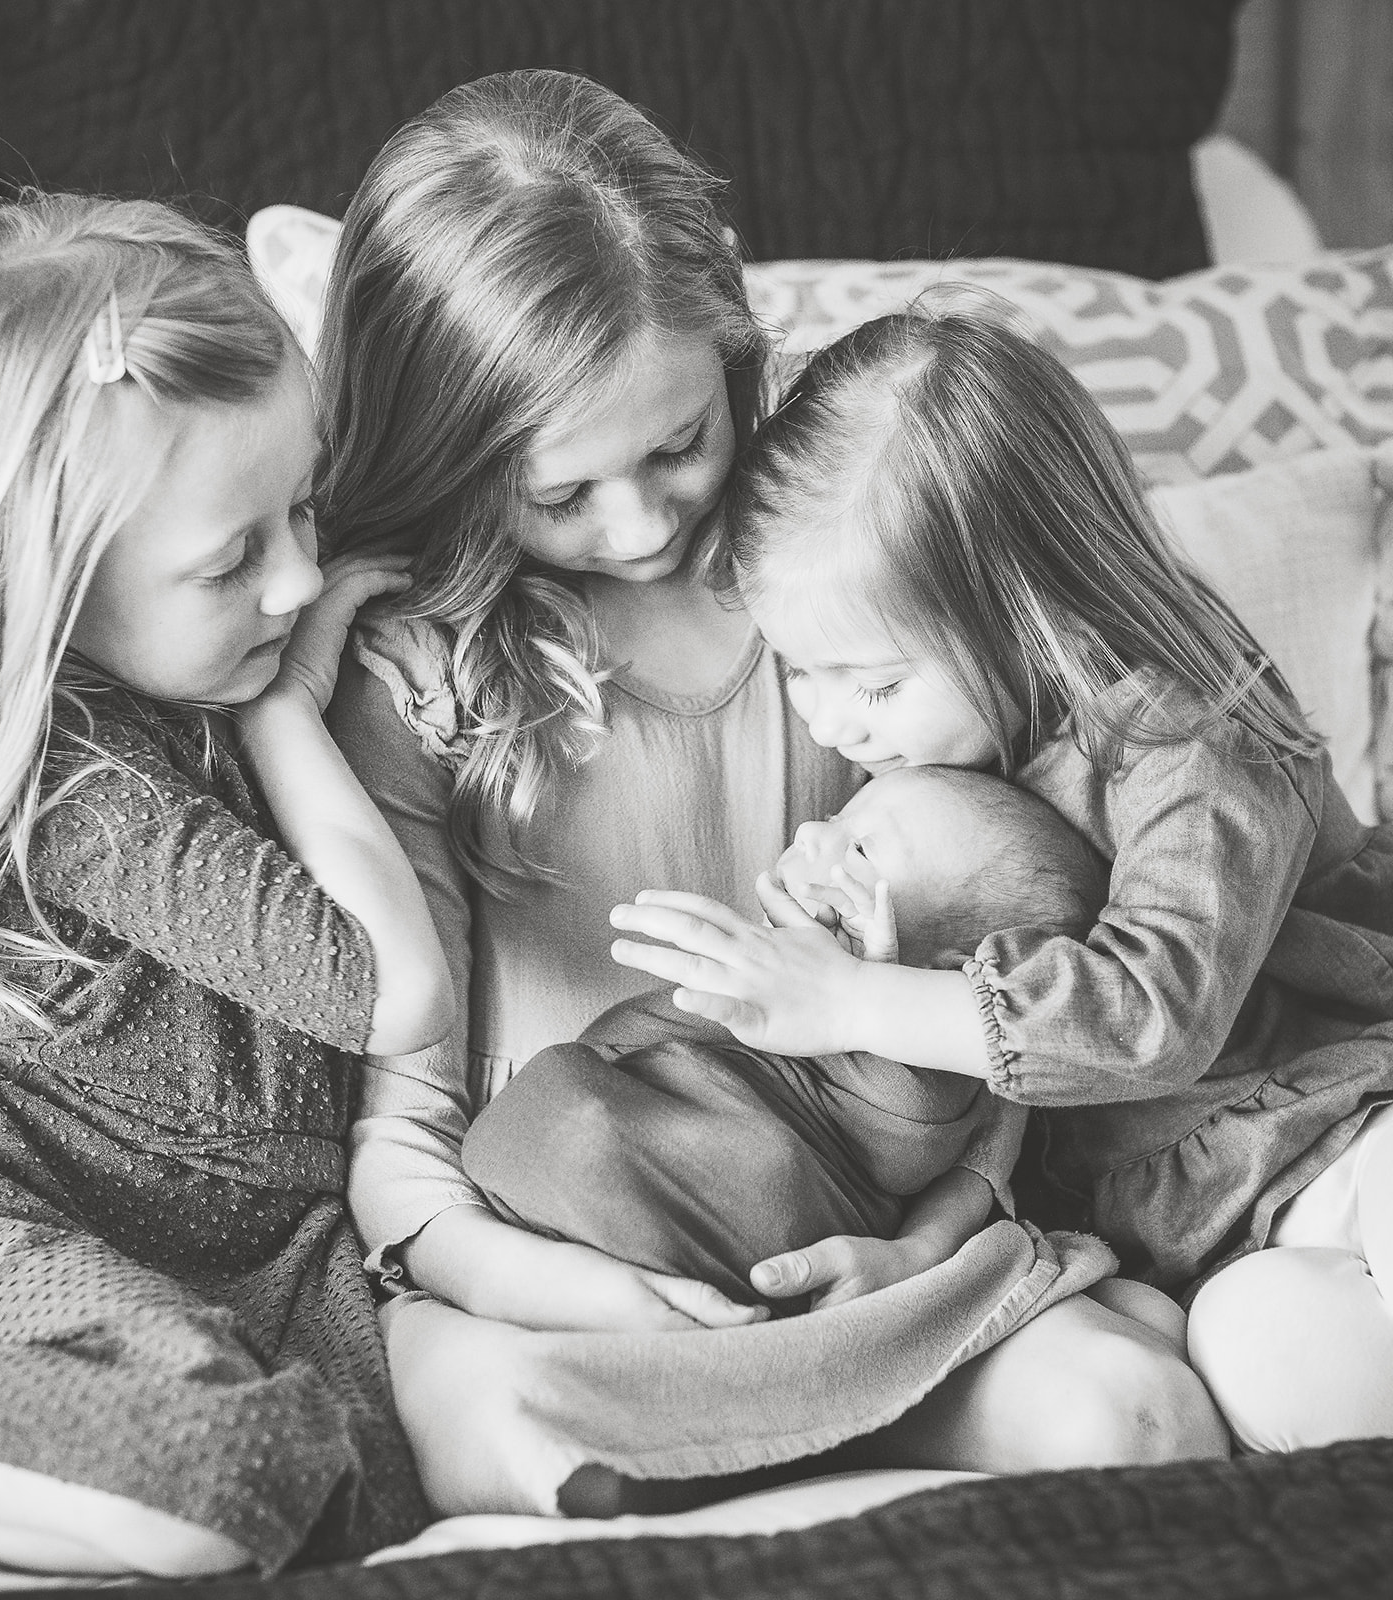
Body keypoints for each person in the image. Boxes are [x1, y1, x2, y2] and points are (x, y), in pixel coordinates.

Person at [320, 68, 1226, 1510]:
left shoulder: (836, 595)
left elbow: (1003, 954)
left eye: (680, 443)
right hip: (565, 1247)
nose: (641, 521)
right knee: (490, 1411)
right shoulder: (425, 676)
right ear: (444, 455)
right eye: (559, 492)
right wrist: (535, 1278)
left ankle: (792, 1413)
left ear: (733, 355)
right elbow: (402, 1103)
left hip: (865, 1229)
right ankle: (669, 1428)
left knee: (1139, 1414)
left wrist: (930, 1240)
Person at [609, 289, 1393, 1455]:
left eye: (871, 683)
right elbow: (998, 1088)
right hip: (1208, 1240)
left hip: (1336, 1118)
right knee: (1266, 1362)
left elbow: (1151, 1014)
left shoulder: (1186, 730)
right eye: (801, 675)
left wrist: (851, 1001)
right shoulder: (946, 762)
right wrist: (928, 1245)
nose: (834, 729)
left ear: (1029, 613)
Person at [0, 193, 453, 1577]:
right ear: (49, 586)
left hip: (253, 1265)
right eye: (233, 560)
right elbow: (394, 996)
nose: (300, 581)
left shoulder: (213, 658)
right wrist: (290, 717)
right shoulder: (87, 789)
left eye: (304, 507)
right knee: (229, 1477)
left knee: (346, 1496)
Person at [461, 765, 1109, 1312]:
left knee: (586, 1132)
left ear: (944, 970)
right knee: (566, 1109)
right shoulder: (788, 960)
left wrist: (870, 987)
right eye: (838, 816)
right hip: (628, 1142)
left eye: (860, 849)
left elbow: (908, 1146)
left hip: (763, 1197)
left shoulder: (928, 1068)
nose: (810, 830)